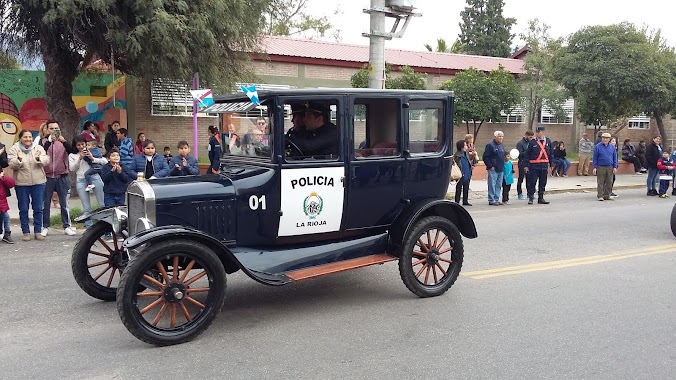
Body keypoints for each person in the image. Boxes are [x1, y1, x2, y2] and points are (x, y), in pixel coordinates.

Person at [7, 130, 49, 241]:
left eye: (30, 137)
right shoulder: (14, 149)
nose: (28, 139)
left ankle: (38, 231)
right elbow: (11, 164)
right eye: (25, 137)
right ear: (21, 138)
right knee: (24, 208)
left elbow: (46, 160)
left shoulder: (38, 148)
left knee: (38, 208)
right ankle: (25, 232)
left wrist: (38, 158)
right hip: (21, 183)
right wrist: (19, 159)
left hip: (38, 181)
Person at [40, 120, 77, 237]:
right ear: (47, 130)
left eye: (56, 128)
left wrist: (64, 141)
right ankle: (45, 226)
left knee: (64, 203)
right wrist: (50, 142)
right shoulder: (43, 141)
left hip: (62, 175)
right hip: (47, 176)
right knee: (45, 203)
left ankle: (67, 226)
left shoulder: (63, 141)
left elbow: (73, 151)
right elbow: (40, 153)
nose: (54, 131)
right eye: (51, 129)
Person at [69, 135, 106, 229]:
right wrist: (79, 158)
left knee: (102, 204)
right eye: (78, 145)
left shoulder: (92, 151)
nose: (81, 147)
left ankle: (105, 228)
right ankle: (89, 229)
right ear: (75, 146)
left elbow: (104, 161)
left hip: (95, 178)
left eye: (82, 144)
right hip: (81, 180)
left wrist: (93, 158)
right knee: (86, 208)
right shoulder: (72, 155)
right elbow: (72, 169)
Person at [524, 126, 552, 205]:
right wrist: (526, 165)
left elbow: (551, 154)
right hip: (534, 166)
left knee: (543, 182)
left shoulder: (548, 141)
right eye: (536, 132)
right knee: (532, 182)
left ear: (543, 132)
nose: (537, 133)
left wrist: (551, 164)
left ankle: (541, 197)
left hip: (544, 165)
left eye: (538, 132)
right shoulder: (532, 142)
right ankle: (531, 197)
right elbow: (527, 154)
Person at [482, 130, 505, 206]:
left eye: (502, 136)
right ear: (495, 137)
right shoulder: (490, 145)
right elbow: (485, 157)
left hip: (500, 168)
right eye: (499, 136)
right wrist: (490, 166)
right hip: (493, 168)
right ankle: (491, 199)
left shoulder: (501, 145)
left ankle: (496, 199)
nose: (501, 138)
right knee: (492, 184)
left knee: (498, 185)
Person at [593, 133, 618, 201]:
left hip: (610, 166)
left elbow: (615, 157)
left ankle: (607, 195)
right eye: (603, 138)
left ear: (609, 139)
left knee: (609, 181)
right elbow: (595, 158)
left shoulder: (612, 147)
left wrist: (615, 167)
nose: (605, 139)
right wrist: (594, 167)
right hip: (600, 166)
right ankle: (600, 195)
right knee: (600, 182)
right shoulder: (598, 147)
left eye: (606, 138)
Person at [515, 130, 534, 200]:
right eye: (530, 137)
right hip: (522, 162)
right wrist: (528, 152)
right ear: (526, 135)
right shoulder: (520, 143)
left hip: (529, 162)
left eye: (532, 137)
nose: (531, 139)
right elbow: (519, 154)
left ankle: (529, 194)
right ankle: (519, 193)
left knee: (529, 179)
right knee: (521, 178)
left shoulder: (531, 143)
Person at [453, 140, 472, 206]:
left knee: (466, 187)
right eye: (465, 145)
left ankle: (465, 200)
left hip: (467, 173)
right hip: (460, 174)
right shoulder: (457, 155)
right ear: (462, 147)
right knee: (459, 188)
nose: (466, 146)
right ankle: (457, 201)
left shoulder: (466, 154)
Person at [0, 168, 15, 243]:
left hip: (2, 203)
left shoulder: (2, 176)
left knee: (6, 217)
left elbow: (11, 184)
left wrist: (3, 177)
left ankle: (7, 234)